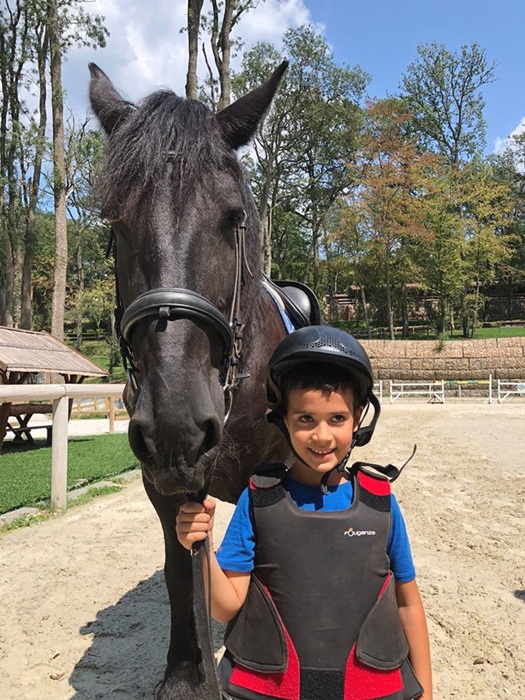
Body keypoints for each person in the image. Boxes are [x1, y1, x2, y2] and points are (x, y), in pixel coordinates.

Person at [176, 325, 433, 700]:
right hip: (273, 690)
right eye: (305, 419)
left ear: (358, 417)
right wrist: (200, 544)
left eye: (337, 419)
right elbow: (225, 606)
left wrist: (426, 692)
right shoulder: (258, 500)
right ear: (283, 419)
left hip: (369, 689)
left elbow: (408, 603)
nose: (322, 436)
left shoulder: (381, 503)